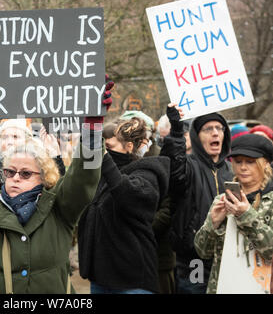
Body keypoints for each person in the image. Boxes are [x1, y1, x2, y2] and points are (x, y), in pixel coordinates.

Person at [0, 76, 110, 293]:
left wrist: (92, 128)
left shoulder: (59, 210)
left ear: (44, 176)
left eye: (26, 173)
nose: (16, 178)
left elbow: (83, 179)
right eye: (10, 172)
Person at [78, 117, 170, 294]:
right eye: (103, 148)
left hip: (132, 281)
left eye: (109, 148)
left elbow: (125, 192)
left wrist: (104, 158)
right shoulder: (100, 173)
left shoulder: (146, 173)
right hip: (100, 278)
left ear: (129, 147)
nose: (104, 152)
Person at [160, 104, 233, 294]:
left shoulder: (232, 172)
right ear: (197, 137)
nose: (215, 133)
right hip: (194, 259)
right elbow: (172, 167)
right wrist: (176, 130)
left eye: (219, 128)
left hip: (227, 260)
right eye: (208, 129)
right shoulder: (188, 167)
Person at [194, 134, 273, 293]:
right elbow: (202, 252)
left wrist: (246, 215)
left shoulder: (270, 201)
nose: (243, 167)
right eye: (238, 161)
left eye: (250, 162)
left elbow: (270, 251)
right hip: (223, 286)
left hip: (259, 287)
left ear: (265, 163)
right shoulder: (223, 199)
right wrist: (213, 223)